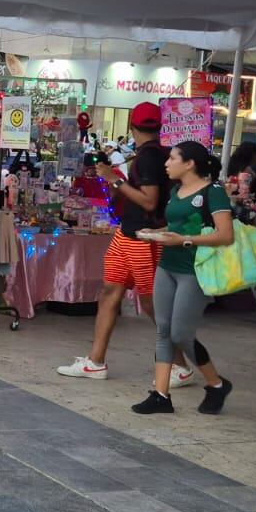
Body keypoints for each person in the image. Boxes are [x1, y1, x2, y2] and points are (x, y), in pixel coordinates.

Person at [57, 102, 195, 387]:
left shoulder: (147, 157)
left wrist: (114, 181)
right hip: (128, 234)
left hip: (143, 237)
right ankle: (95, 362)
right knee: (110, 292)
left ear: (132, 124)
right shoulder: (156, 154)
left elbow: (149, 200)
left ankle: (181, 365)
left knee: (151, 303)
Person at [131, 141, 235, 415]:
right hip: (168, 265)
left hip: (195, 269)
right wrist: (156, 233)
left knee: (180, 333)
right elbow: (177, 226)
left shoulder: (214, 192)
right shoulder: (177, 190)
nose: (166, 163)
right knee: (163, 330)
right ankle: (160, 395)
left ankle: (215, 383)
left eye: (172, 158)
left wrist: (184, 240)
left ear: (189, 163)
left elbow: (225, 235)